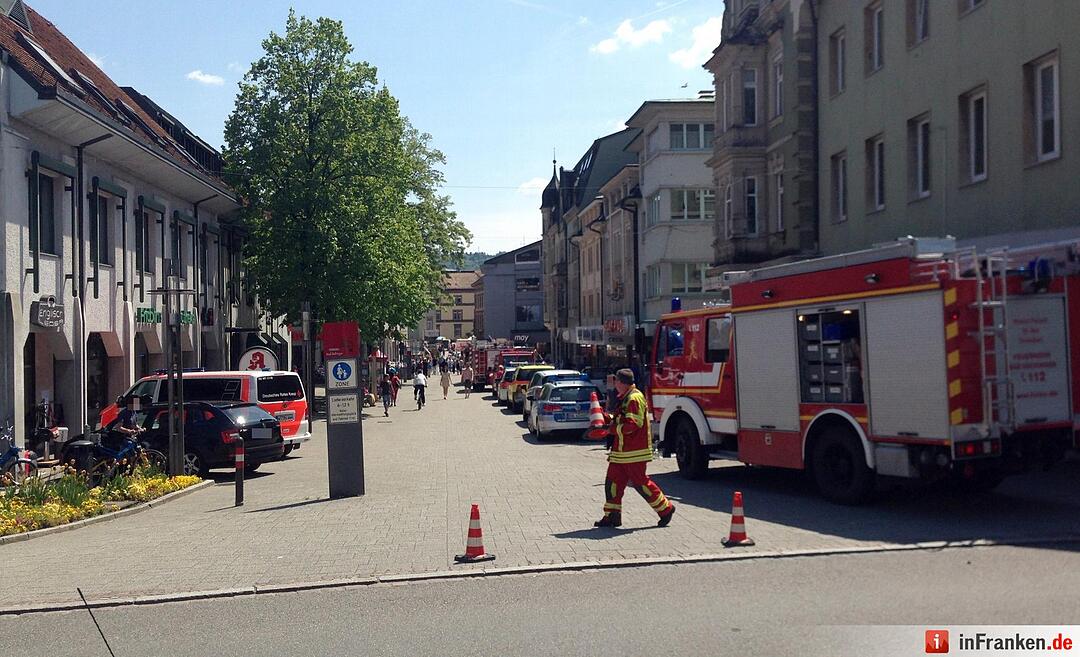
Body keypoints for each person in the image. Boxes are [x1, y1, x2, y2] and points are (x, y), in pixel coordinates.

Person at [594, 369, 675, 529]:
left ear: (622, 382)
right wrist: (606, 417)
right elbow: (622, 418)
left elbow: (633, 424)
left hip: (633, 452)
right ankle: (612, 516)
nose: (615, 384)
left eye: (616, 381)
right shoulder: (626, 397)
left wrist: (611, 430)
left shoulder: (634, 398)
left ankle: (666, 509)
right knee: (612, 483)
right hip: (621, 452)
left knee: (640, 483)